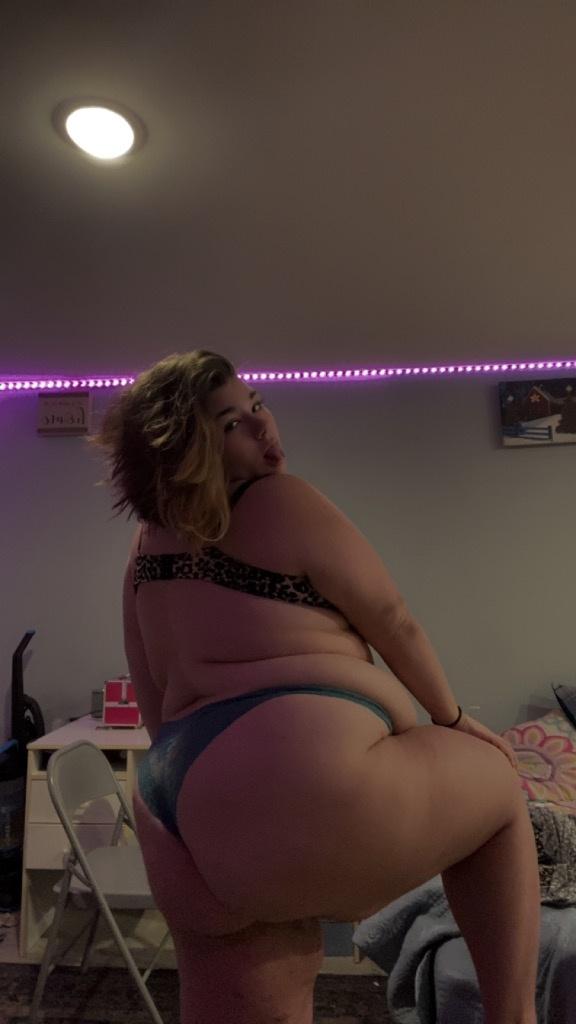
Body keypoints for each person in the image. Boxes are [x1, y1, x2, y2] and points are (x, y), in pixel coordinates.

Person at [94, 350, 540, 1024]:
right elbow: (393, 619)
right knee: (501, 788)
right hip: (304, 791)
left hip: (175, 810)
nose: (262, 427)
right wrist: (451, 719)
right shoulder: (280, 500)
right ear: (185, 447)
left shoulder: (144, 547)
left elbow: (151, 690)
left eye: (257, 405)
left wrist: (215, 805)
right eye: (230, 424)